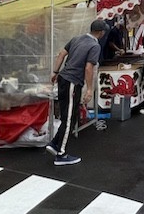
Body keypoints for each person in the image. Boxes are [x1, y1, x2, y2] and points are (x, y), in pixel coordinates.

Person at [46, 19, 108, 166]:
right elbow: (88, 68)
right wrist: (90, 89)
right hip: (72, 82)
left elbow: (61, 54)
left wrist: (55, 72)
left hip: (63, 78)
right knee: (68, 118)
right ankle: (61, 154)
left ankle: (55, 144)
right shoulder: (95, 46)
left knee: (69, 114)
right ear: (101, 33)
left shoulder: (76, 38)